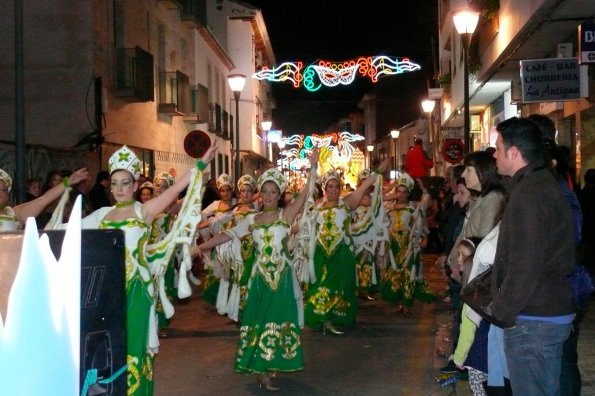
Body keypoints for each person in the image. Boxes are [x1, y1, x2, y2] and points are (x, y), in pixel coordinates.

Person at [78, 143, 217, 395]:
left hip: (137, 291)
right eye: (115, 183)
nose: (119, 188)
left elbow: (175, 189)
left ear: (134, 186)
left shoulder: (144, 211)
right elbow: (65, 232)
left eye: (125, 183)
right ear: (109, 186)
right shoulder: (100, 215)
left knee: (134, 346)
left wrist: (200, 164)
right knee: (109, 350)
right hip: (108, 295)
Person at [194, 149, 319, 392]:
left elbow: (305, 195)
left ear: (280, 194)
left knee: (279, 321)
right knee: (258, 321)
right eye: (266, 191)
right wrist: (200, 247)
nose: (270, 195)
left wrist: (313, 168)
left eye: (274, 191)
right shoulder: (252, 220)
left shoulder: (286, 214)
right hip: (259, 280)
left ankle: (270, 368)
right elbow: (226, 234)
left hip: (282, 279)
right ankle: (260, 368)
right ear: (260, 194)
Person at [491, 117, 575, 395]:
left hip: (534, 319)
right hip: (541, 313)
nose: (494, 154)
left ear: (514, 152)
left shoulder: (530, 194)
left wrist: (503, 310)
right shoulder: (538, 185)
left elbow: (525, 263)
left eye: (498, 148)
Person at [304, 160, 389, 334]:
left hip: (341, 253)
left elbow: (364, 187)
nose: (334, 190)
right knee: (321, 284)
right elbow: (305, 225)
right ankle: (324, 318)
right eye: (330, 187)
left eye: (337, 186)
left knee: (341, 285)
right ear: (325, 190)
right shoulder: (317, 208)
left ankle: (334, 318)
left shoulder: (346, 203)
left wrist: (378, 172)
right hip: (321, 254)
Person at [381, 173, 435, 314]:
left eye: (405, 192)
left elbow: (427, 204)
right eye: (399, 191)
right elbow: (376, 200)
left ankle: (407, 303)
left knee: (409, 271)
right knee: (395, 272)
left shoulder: (413, 206)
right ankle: (400, 301)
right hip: (393, 245)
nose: (402, 194)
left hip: (409, 245)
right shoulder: (389, 207)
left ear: (409, 193)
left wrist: (424, 190)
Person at [0, 167, 88, 231]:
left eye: (3, 190)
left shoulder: (15, 214)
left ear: (7, 195)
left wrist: (68, 181)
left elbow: (45, 199)